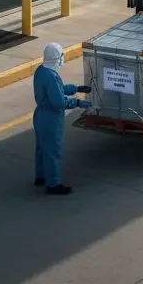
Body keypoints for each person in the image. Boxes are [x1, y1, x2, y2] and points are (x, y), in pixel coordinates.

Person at [32, 42, 91, 195]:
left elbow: (57, 89)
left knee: (41, 148)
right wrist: (77, 102)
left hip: (39, 115)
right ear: (56, 58)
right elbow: (58, 102)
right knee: (53, 151)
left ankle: (41, 177)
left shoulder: (41, 71)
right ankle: (53, 184)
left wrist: (76, 89)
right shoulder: (51, 76)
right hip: (50, 118)